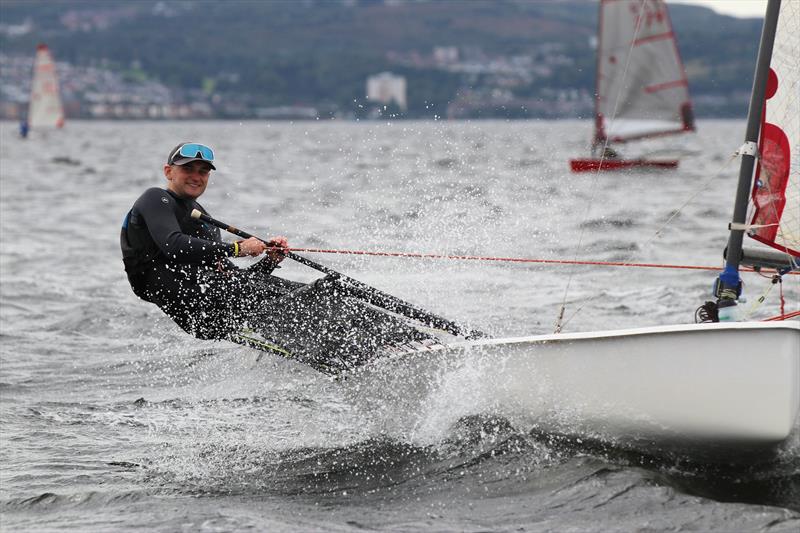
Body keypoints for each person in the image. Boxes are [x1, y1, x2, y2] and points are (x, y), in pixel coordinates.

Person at [120, 142, 289, 341]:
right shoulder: (155, 199)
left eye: (203, 171)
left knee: (277, 288)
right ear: (168, 172)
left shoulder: (204, 220)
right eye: (187, 169)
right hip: (195, 310)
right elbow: (174, 245)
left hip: (218, 307)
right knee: (271, 292)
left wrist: (270, 261)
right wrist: (238, 248)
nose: (196, 176)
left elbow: (234, 276)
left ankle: (320, 333)